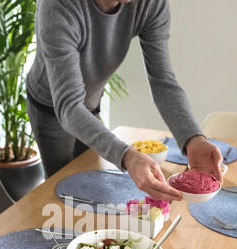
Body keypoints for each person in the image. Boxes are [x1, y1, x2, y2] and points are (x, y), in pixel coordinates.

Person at [26, 0, 223, 201]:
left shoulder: (150, 4)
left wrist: (193, 138)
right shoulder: (58, 5)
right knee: (60, 195)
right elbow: (69, 106)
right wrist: (127, 156)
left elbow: (163, 81)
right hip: (51, 109)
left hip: (90, 105)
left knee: (92, 186)